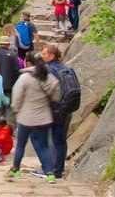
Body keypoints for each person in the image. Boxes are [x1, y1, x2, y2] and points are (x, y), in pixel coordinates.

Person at [6, 53, 61, 184]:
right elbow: (57, 96)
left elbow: (17, 96)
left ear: (29, 63)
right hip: (44, 117)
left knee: (21, 145)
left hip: (26, 117)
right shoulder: (49, 77)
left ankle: (15, 169)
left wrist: (15, 108)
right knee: (43, 145)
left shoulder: (24, 78)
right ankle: (50, 173)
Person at [41, 44, 74, 179]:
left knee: (50, 139)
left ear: (51, 56)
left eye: (44, 54)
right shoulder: (67, 69)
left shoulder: (50, 70)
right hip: (67, 107)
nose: (41, 56)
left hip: (54, 109)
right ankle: (59, 168)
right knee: (61, 140)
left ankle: (51, 169)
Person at [0, 35, 21, 126]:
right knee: (10, 110)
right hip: (9, 89)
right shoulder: (12, 56)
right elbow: (17, 72)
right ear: (8, 44)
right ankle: (9, 130)